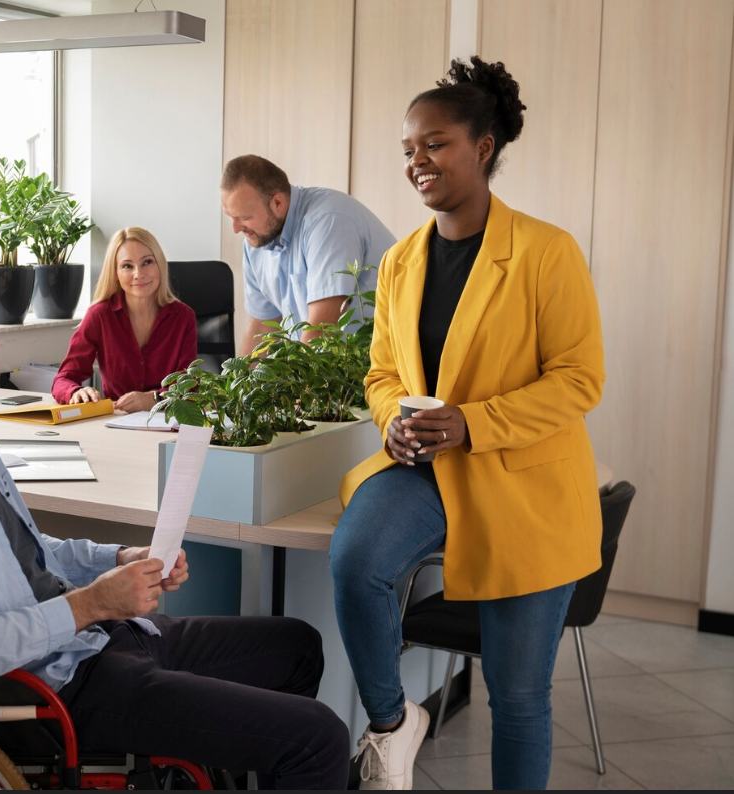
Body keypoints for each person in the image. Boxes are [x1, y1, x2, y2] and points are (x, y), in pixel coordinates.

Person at [0, 253, 350, 789]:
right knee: (318, 739)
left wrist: (117, 559)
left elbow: (29, 550)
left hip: (102, 638)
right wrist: (91, 604)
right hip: (61, 683)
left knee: (298, 645)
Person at [328, 58, 605, 790]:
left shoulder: (546, 252)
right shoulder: (398, 263)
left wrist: (471, 424)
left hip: (523, 483)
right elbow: (383, 374)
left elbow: (580, 379)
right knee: (356, 561)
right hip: (426, 470)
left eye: (436, 143)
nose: (419, 160)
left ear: (482, 148)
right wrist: (392, 422)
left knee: (517, 699)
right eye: (409, 149)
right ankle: (392, 723)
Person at [220, 154, 396, 353]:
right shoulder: (256, 239)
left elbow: (321, 330)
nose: (235, 228)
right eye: (231, 217)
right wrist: (237, 383)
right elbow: (262, 326)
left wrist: (294, 384)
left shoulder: (328, 220)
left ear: (277, 203)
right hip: (334, 366)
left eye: (244, 217)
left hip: (381, 363)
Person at [51, 227, 196, 413]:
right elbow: (63, 378)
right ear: (116, 273)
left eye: (147, 262)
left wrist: (153, 399)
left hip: (168, 420)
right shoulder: (99, 315)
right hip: (117, 420)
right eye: (127, 266)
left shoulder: (183, 317)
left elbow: (189, 387)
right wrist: (76, 392)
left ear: (160, 264)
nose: (138, 274)